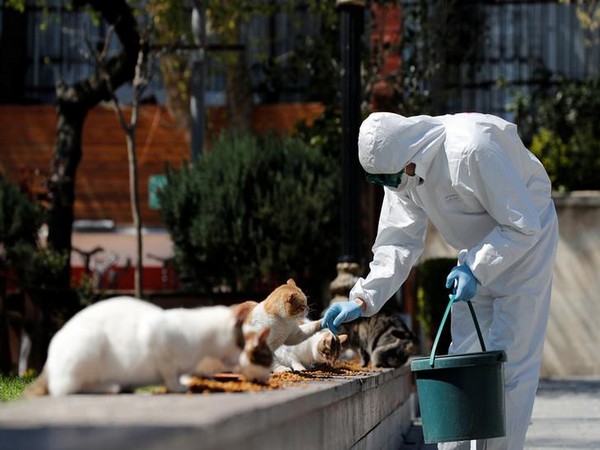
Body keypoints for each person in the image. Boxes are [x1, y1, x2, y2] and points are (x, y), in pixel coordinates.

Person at [322, 112, 559, 450]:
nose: (388, 186)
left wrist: (475, 268)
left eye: (388, 178)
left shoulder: (473, 147)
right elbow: (398, 242)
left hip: (526, 251)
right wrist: (362, 299)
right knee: (461, 359)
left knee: (511, 365)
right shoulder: (401, 170)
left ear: (407, 159)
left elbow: (523, 225)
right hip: (475, 257)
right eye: (379, 181)